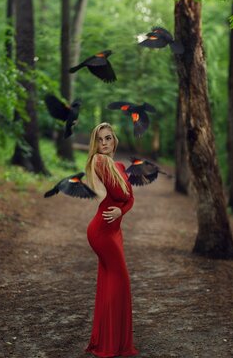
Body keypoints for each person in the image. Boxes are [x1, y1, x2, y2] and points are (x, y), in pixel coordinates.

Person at [84, 122, 138, 357]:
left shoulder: (118, 165)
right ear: (94, 144)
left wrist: (121, 211)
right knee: (121, 281)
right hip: (102, 231)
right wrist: (117, 206)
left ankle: (110, 340)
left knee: (109, 282)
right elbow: (114, 195)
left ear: (114, 140)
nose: (104, 143)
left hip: (114, 230)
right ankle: (110, 343)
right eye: (99, 139)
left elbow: (129, 199)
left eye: (107, 138)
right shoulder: (100, 161)